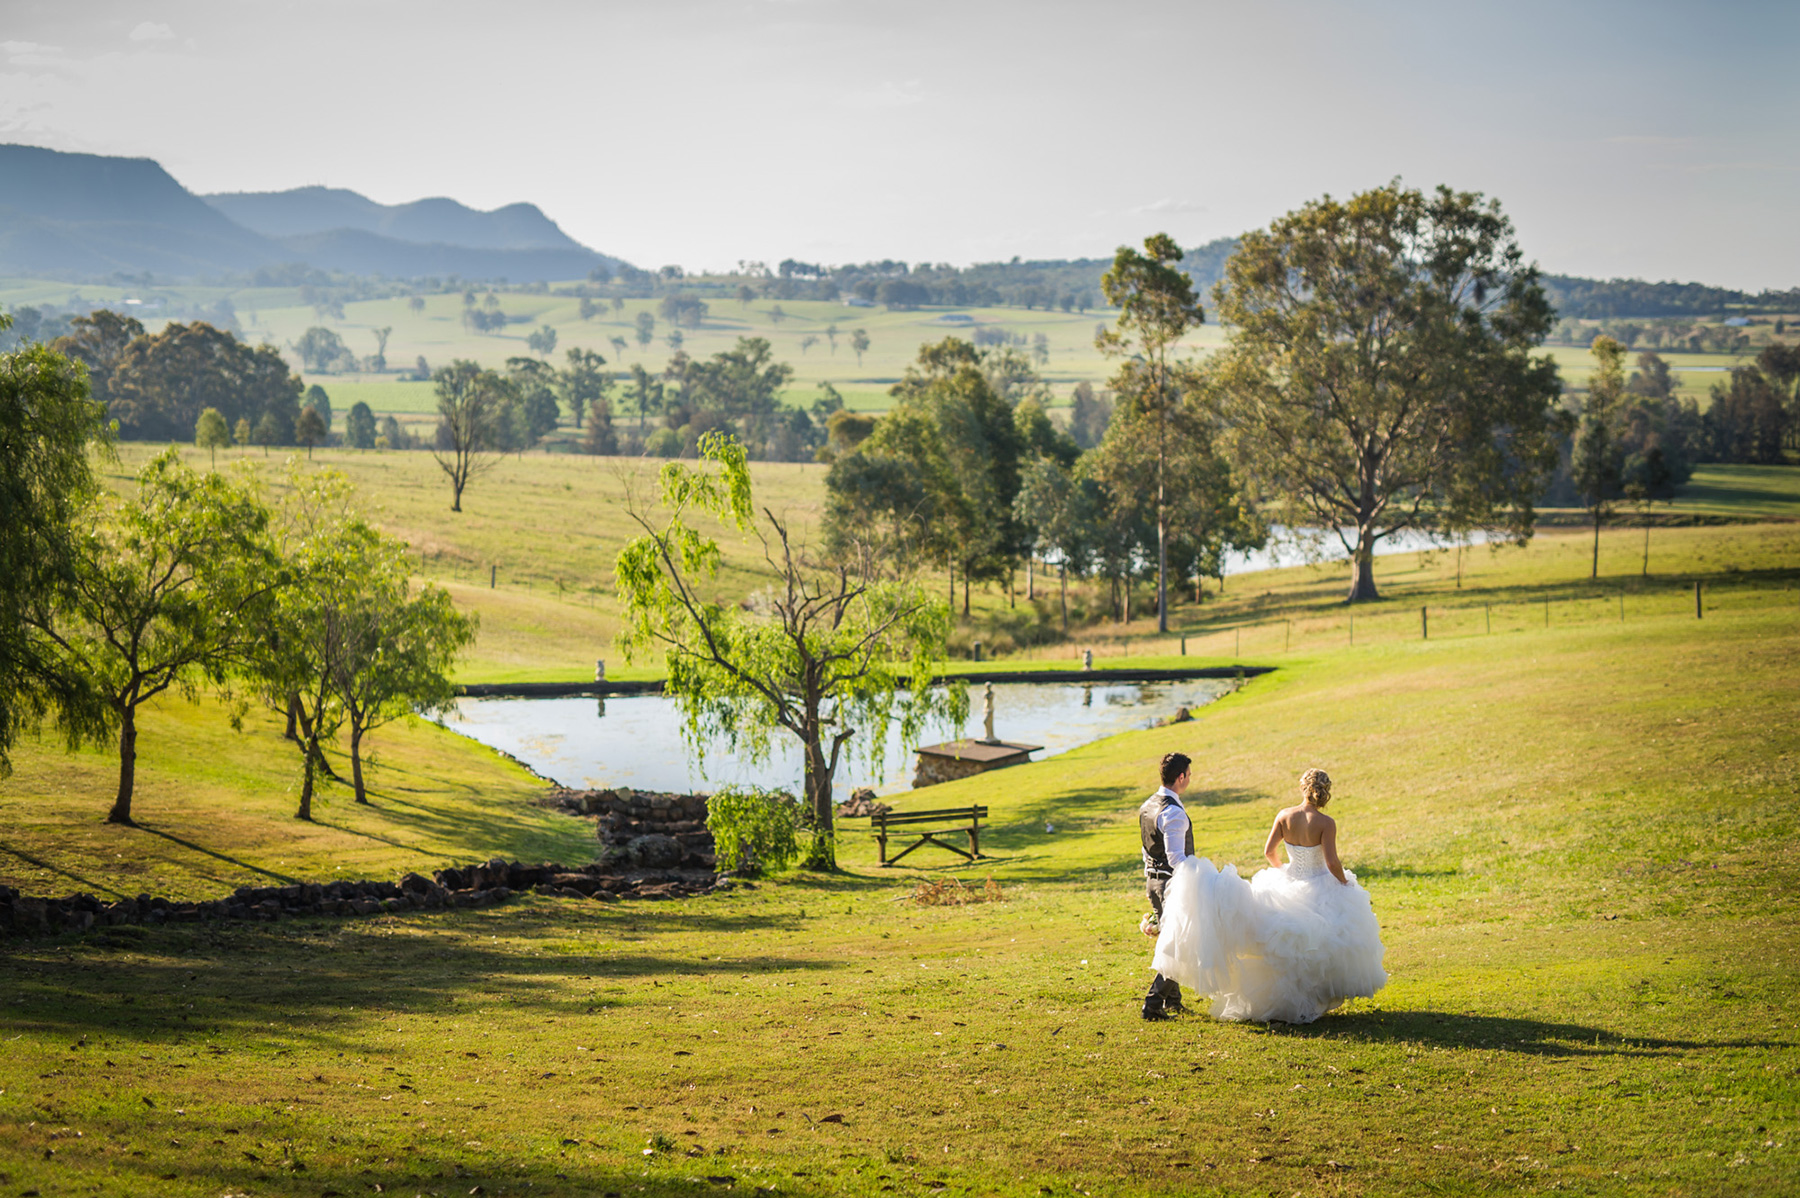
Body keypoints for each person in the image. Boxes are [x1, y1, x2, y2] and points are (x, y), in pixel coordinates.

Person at [1151, 767, 1386, 1023]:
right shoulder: (1326, 823)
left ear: (1303, 788)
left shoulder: (1284, 815)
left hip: (1289, 880)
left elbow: (1269, 851)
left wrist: (1284, 870)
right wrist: (1344, 883)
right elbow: (1331, 862)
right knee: (1317, 945)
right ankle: (1310, 1000)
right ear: (1325, 792)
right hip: (1319, 885)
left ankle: (1288, 1002)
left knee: (1281, 947)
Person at [1138, 752, 1194, 1021]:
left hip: (1153, 879)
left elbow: (1145, 848)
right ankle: (1153, 1003)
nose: (1190, 780)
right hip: (1172, 884)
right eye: (1189, 776)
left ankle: (1173, 1000)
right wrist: (1197, 879)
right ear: (1181, 777)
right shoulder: (1173, 812)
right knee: (1179, 944)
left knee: (1172, 938)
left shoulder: (1148, 805)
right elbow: (1177, 859)